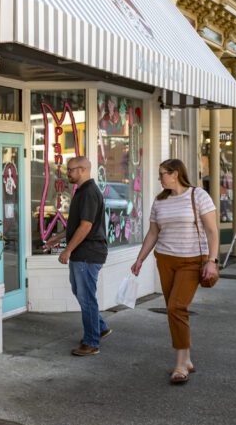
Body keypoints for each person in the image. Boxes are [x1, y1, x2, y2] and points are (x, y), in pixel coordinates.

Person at [131, 158, 219, 384]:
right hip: (166, 260)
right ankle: (186, 357)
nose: (160, 178)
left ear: (176, 174)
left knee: (176, 306)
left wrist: (212, 260)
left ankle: (180, 365)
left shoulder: (198, 195)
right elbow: (153, 233)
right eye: (160, 174)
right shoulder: (160, 201)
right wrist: (140, 258)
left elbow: (211, 231)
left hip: (191, 261)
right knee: (174, 311)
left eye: (163, 174)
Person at [44, 156, 111, 356]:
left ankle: (91, 342)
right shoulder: (82, 191)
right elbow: (77, 225)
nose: (67, 173)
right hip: (83, 254)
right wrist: (58, 237)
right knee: (80, 292)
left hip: (88, 254)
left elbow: (86, 226)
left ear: (82, 170)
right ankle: (99, 327)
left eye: (71, 170)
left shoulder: (89, 192)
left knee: (86, 297)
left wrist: (68, 250)